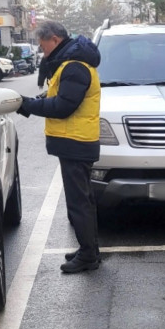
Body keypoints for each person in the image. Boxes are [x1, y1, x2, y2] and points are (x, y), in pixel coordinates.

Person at [17, 20, 101, 274]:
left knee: (78, 203)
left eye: (43, 47)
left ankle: (88, 256)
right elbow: (58, 97)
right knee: (83, 200)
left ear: (54, 40)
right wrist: (33, 102)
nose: (44, 53)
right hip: (76, 142)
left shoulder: (74, 67)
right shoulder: (71, 63)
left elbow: (63, 107)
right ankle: (89, 250)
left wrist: (28, 105)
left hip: (75, 143)